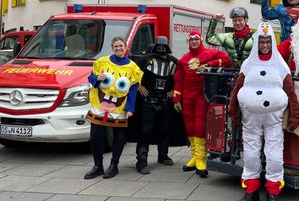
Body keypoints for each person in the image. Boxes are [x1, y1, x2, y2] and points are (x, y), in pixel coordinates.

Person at [229, 22, 299, 201]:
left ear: (272, 43)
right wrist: (233, 109)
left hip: (273, 119)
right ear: (257, 43)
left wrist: (294, 114)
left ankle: (272, 191)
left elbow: (291, 92)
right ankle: (251, 190)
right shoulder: (248, 63)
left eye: (268, 41)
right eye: (262, 41)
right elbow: (237, 87)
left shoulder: (280, 65)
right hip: (250, 118)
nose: (265, 45)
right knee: (251, 154)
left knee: (274, 154)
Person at [173, 30, 232, 178]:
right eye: (191, 39)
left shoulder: (210, 53)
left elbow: (226, 60)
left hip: (202, 96)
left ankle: (201, 159)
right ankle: (195, 156)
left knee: (200, 125)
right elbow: (178, 79)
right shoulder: (183, 59)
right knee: (189, 126)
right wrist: (176, 99)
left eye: (196, 39)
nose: (194, 41)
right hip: (187, 97)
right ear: (188, 41)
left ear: (200, 40)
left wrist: (208, 65)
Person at [84, 36, 143, 180]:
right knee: (95, 136)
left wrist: (130, 108)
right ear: (112, 47)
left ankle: (114, 165)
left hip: (120, 108)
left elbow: (133, 90)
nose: (118, 48)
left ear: (125, 47)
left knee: (119, 136)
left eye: (121, 46)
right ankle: (97, 166)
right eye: (116, 46)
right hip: (99, 106)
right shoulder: (101, 62)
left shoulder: (133, 68)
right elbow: (91, 78)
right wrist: (97, 78)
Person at [134, 36, 179, 175]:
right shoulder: (146, 60)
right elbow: (132, 74)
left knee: (165, 129)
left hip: (166, 102)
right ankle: (141, 161)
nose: (162, 51)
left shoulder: (174, 62)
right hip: (149, 101)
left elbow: (181, 78)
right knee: (146, 131)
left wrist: (175, 90)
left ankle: (163, 155)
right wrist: (139, 86)